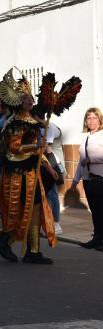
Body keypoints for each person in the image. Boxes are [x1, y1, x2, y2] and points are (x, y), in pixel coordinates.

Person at [0, 69, 56, 264]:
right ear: (18, 100)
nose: (31, 101)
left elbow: (37, 150)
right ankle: (8, 242)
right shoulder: (16, 121)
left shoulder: (30, 119)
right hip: (20, 173)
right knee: (24, 209)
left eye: (31, 98)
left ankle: (31, 250)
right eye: (27, 98)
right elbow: (14, 147)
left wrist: (46, 164)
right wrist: (35, 146)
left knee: (34, 208)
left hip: (30, 170)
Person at [71, 107, 103, 250]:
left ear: (100, 120)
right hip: (87, 179)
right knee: (95, 211)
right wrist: (75, 179)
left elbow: (88, 159)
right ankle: (96, 238)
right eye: (88, 118)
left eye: (94, 118)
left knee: (101, 210)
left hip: (100, 178)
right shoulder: (85, 136)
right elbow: (81, 160)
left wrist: (91, 159)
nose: (91, 121)